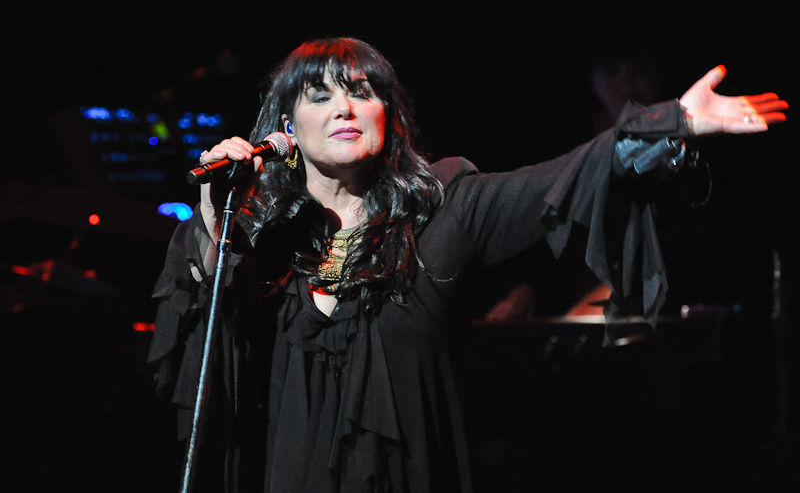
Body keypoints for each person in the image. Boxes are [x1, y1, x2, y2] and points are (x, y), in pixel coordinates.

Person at [148, 37, 787, 493]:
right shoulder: (265, 243)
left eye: (361, 92)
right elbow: (211, 338)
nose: (344, 108)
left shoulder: (448, 210)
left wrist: (664, 124)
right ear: (287, 128)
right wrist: (215, 211)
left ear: (388, 116)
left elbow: (557, 180)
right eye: (320, 97)